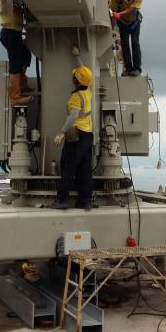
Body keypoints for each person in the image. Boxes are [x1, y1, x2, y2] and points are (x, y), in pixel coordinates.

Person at [51, 48, 93, 211]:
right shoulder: (88, 90)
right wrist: (77, 56)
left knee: (68, 167)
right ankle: (85, 200)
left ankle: (62, 200)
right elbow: (83, 73)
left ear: (75, 80)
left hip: (76, 136)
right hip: (88, 135)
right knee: (85, 169)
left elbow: (73, 116)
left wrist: (61, 133)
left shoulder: (76, 96)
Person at [0, 0, 33, 105]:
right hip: (9, 33)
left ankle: (21, 85)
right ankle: (15, 96)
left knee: (26, 55)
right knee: (15, 63)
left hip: (15, 33)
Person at [109, 0, 143, 76]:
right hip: (122, 24)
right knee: (125, 45)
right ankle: (128, 69)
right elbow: (112, 13)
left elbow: (132, 9)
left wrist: (119, 14)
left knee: (135, 43)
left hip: (134, 23)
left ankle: (137, 69)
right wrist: (112, 29)